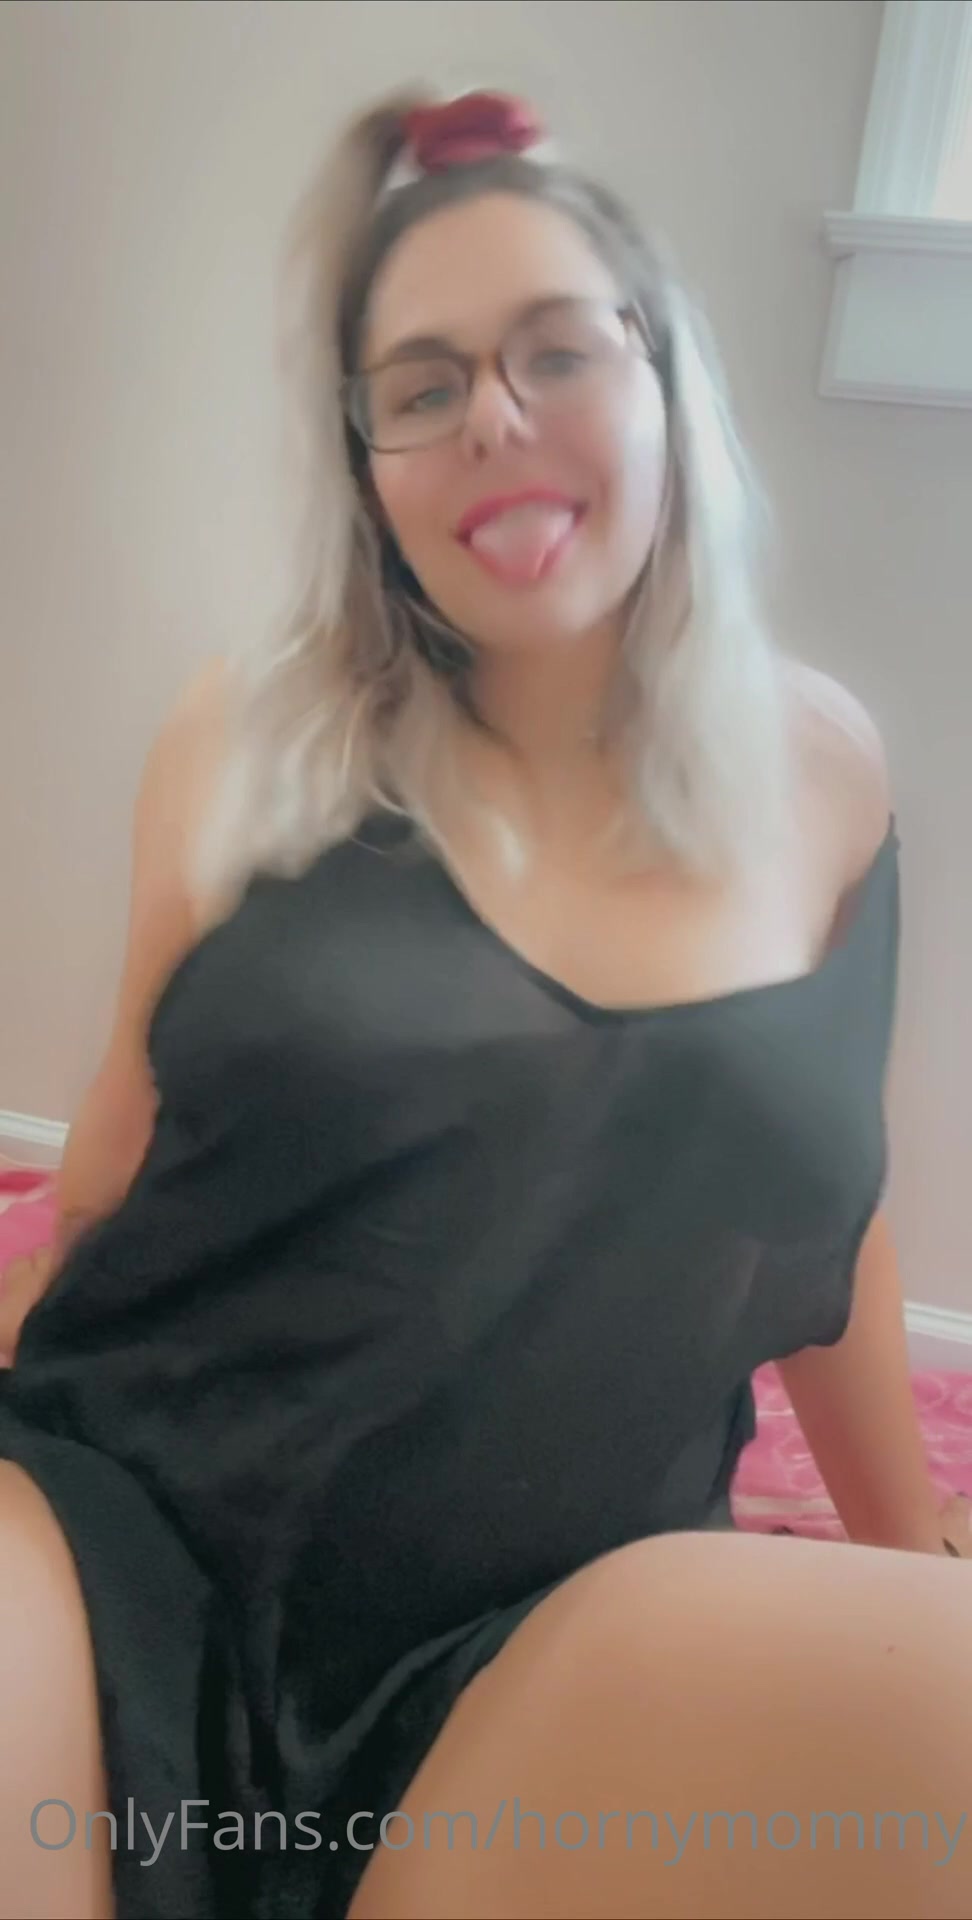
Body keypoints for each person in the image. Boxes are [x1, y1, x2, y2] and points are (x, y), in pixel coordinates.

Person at [0, 87, 968, 1920]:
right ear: (365, 458)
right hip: (137, 1536)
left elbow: (822, 1209)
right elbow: (117, 1153)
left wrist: (907, 1547)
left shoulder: (828, 775)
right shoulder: (247, 743)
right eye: (424, 385)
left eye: (556, 352)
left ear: (665, 374)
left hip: (556, 1639)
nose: (494, 422)